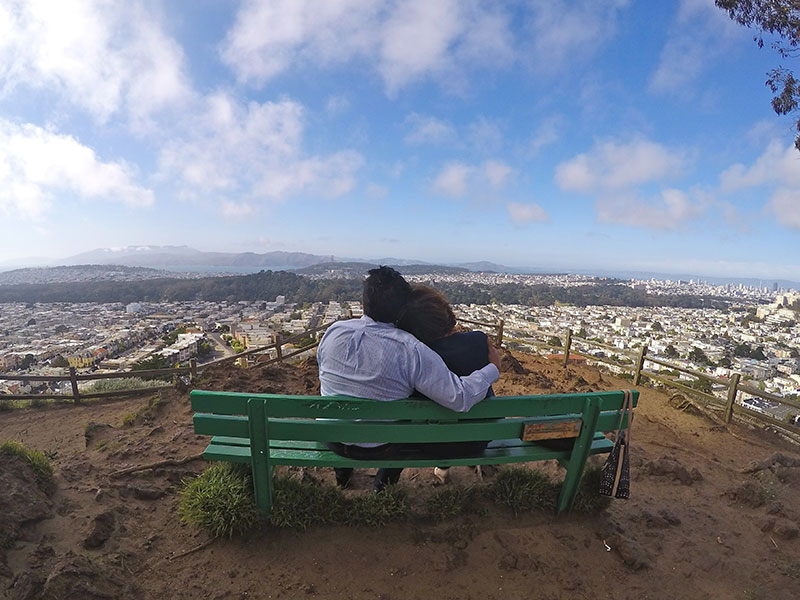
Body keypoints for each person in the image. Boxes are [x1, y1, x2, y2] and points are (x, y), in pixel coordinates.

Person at [317, 266, 501, 491]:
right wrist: (493, 369)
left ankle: (343, 478)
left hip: (331, 438)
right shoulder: (410, 349)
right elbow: (459, 397)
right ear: (401, 309)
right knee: (405, 430)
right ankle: (382, 488)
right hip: (381, 447)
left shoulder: (333, 332)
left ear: (363, 303)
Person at [395, 285, 495, 483]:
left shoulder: (415, 354)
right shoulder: (479, 341)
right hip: (478, 439)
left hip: (429, 443)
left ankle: (443, 468)